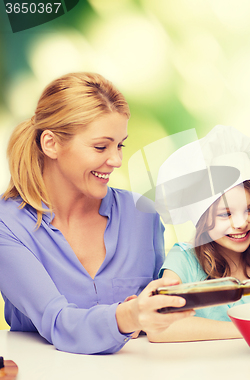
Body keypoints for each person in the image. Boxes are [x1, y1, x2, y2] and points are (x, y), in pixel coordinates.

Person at [0, 73, 193, 355]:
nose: (116, 160)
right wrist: (130, 314)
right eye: (101, 146)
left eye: (120, 145)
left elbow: (159, 316)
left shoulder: (142, 215)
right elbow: (57, 322)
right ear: (51, 144)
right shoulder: (8, 225)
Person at [147, 125, 250, 342]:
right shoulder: (184, 260)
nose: (241, 223)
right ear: (202, 219)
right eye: (225, 214)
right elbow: (160, 327)